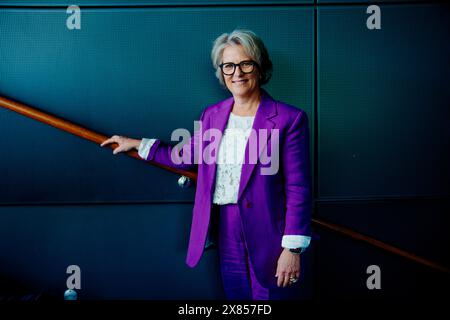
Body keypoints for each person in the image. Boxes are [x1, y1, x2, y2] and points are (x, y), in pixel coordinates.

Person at [100, 29, 312, 300]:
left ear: (260, 67)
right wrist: (139, 145)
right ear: (222, 72)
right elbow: (184, 155)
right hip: (225, 226)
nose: (238, 72)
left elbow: (298, 187)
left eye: (246, 63)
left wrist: (292, 249)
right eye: (229, 65)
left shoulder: (290, 119)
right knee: (236, 298)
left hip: (271, 231)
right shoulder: (213, 114)